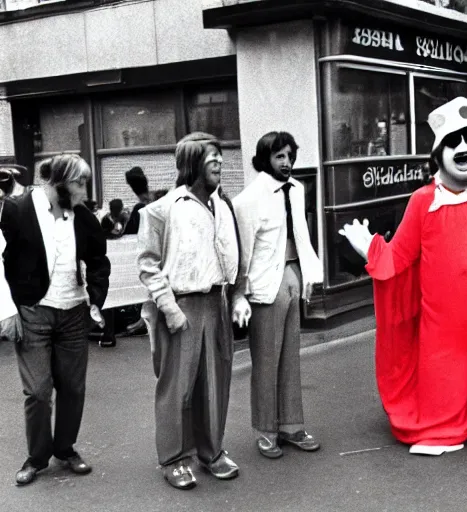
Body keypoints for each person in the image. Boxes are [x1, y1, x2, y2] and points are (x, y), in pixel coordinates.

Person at [340, 96, 467, 456]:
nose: (463, 147)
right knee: (436, 420)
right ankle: (448, 424)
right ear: (438, 154)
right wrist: (369, 247)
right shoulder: (422, 200)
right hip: (442, 331)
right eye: (452, 141)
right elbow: (398, 258)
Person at [137, 132, 240, 490]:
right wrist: (169, 308)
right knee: (176, 388)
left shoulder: (222, 204)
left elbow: (230, 255)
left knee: (214, 384)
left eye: (220, 157)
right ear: (191, 162)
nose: (219, 163)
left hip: (217, 302)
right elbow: (148, 265)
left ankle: (210, 452)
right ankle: (173, 458)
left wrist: (236, 297)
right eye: (211, 157)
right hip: (181, 306)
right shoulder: (163, 209)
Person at [0, 153, 110, 485]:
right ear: (58, 183)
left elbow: (99, 259)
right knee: (37, 391)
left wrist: (95, 299)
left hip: (74, 312)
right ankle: (37, 457)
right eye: (79, 183)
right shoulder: (18, 211)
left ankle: (65, 449)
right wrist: (6, 312)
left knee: (73, 387)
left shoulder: (83, 216)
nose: (84, 190)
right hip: (33, 311)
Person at [232, 131, 323, 459]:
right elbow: (242, 251)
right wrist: (239, 294)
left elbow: (301, 234)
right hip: (262, 287)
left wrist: (306, 274)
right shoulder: (248, 199)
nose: (286, 163)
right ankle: (266, 431)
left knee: (290, 358)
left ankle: (291, 426)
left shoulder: (297, 190)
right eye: (279, 157)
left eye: (289, 156)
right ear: (265, 159)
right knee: (266, 361)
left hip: (292, 279)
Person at [124, 166, 152, 235]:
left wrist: (126, 220)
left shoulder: (139, 208)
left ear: (133, 188)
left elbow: (129, 234)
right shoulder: (156, 200)